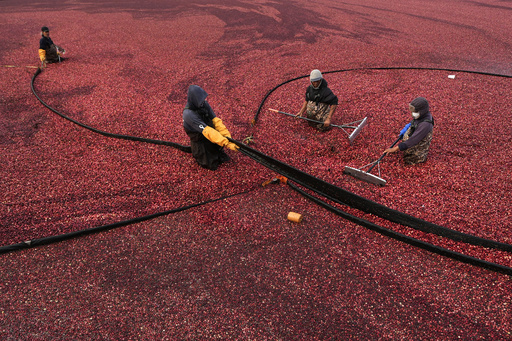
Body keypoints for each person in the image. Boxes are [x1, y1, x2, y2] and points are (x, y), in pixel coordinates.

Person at [182, 85, 238, 170]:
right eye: (200, 101)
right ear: (194, 100)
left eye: (203, 100)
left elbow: (216, 121)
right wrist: (225, 142)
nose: (203, 102)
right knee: (211, 164)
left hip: (208, 133)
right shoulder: (188, 114)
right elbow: (207, 131)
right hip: (199, 138)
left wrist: (228, 138)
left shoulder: (203, 104)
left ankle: (215, 148)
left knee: (221, 156)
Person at [384, 97, 434, 165]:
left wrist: (394, 149)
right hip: (415, 137)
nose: (412, 113)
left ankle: (416, 157)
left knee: (411, 158)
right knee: (406, 144)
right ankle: (405, 148)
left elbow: (413, 140)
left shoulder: (425, 124)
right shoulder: (422, 115)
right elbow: (415, 121)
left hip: (418, 146)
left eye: (415, 112)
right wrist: (407, 127)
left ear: (421, 111)